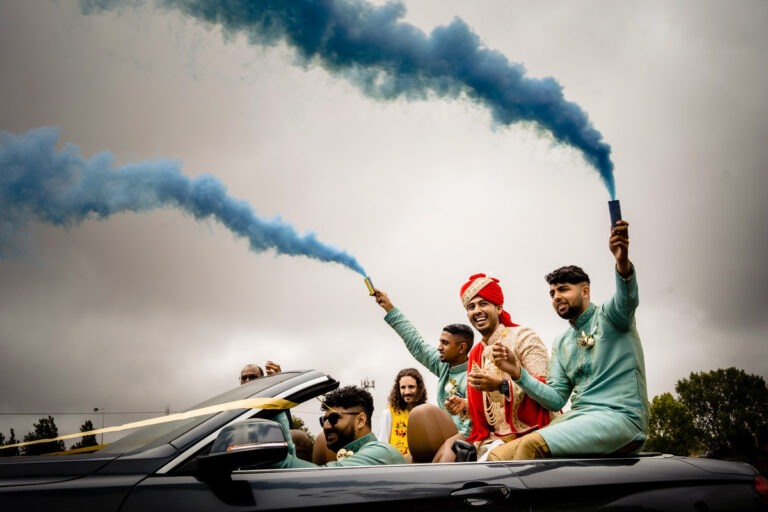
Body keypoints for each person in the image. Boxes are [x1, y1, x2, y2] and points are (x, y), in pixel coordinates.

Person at [488, 220, 649, 460]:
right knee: (498, 456)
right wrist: (517, 372)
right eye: (552, 293)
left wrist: (622, 262)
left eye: (563, 289)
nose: (556, 297)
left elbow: (627, 297)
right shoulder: (562, 342)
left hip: (621, 418)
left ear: (585, 291)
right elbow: (555, 399)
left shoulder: (612, 317)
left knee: (530, 447)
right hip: (578, 419)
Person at [459, 272, 554, 460]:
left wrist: (501, 385)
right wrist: (465, 406)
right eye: (471, 307)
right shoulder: (477, 352)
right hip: (494, 438)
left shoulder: (523, 336)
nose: (477, 310)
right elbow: (491, 411)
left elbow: (547, 391)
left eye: (483, 304)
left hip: (533, 433)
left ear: (499, 308)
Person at [374, 290, 473, 438]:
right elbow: (417, 344)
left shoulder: (474, 377)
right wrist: (389, 308)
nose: (439, 347)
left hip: (464, 443)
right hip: (444, 439)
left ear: (461, 348)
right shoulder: (442, 364)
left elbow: (469, 427)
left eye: (445, 343)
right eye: (440, 342)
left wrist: (451, 446)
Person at [274, 385, 405, 468]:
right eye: (323, 420)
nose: (326, 426)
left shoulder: (380, 453)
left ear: (360, 420)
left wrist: (274, 403)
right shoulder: (354, 456)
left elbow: (318, 478)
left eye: (333, 419)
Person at [376, 367, 428, 456]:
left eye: (411, 387)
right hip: (396, 463)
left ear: (419, 388)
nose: (407, 391)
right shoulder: (388, 413)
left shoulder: (426, 413)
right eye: (403, 387)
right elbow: (381, 447)